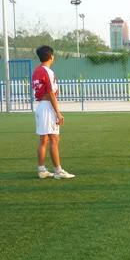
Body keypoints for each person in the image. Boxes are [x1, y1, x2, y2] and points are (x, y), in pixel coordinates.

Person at [31, 45, 75, 179]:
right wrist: (58, 113)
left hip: (40, 106)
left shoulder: (36, 71)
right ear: (51, 56)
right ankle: (58, 171)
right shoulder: (47, 72)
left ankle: (42, 170)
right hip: (48, 107)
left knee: (43, 140)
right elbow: (51, 93)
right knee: (54, 139)